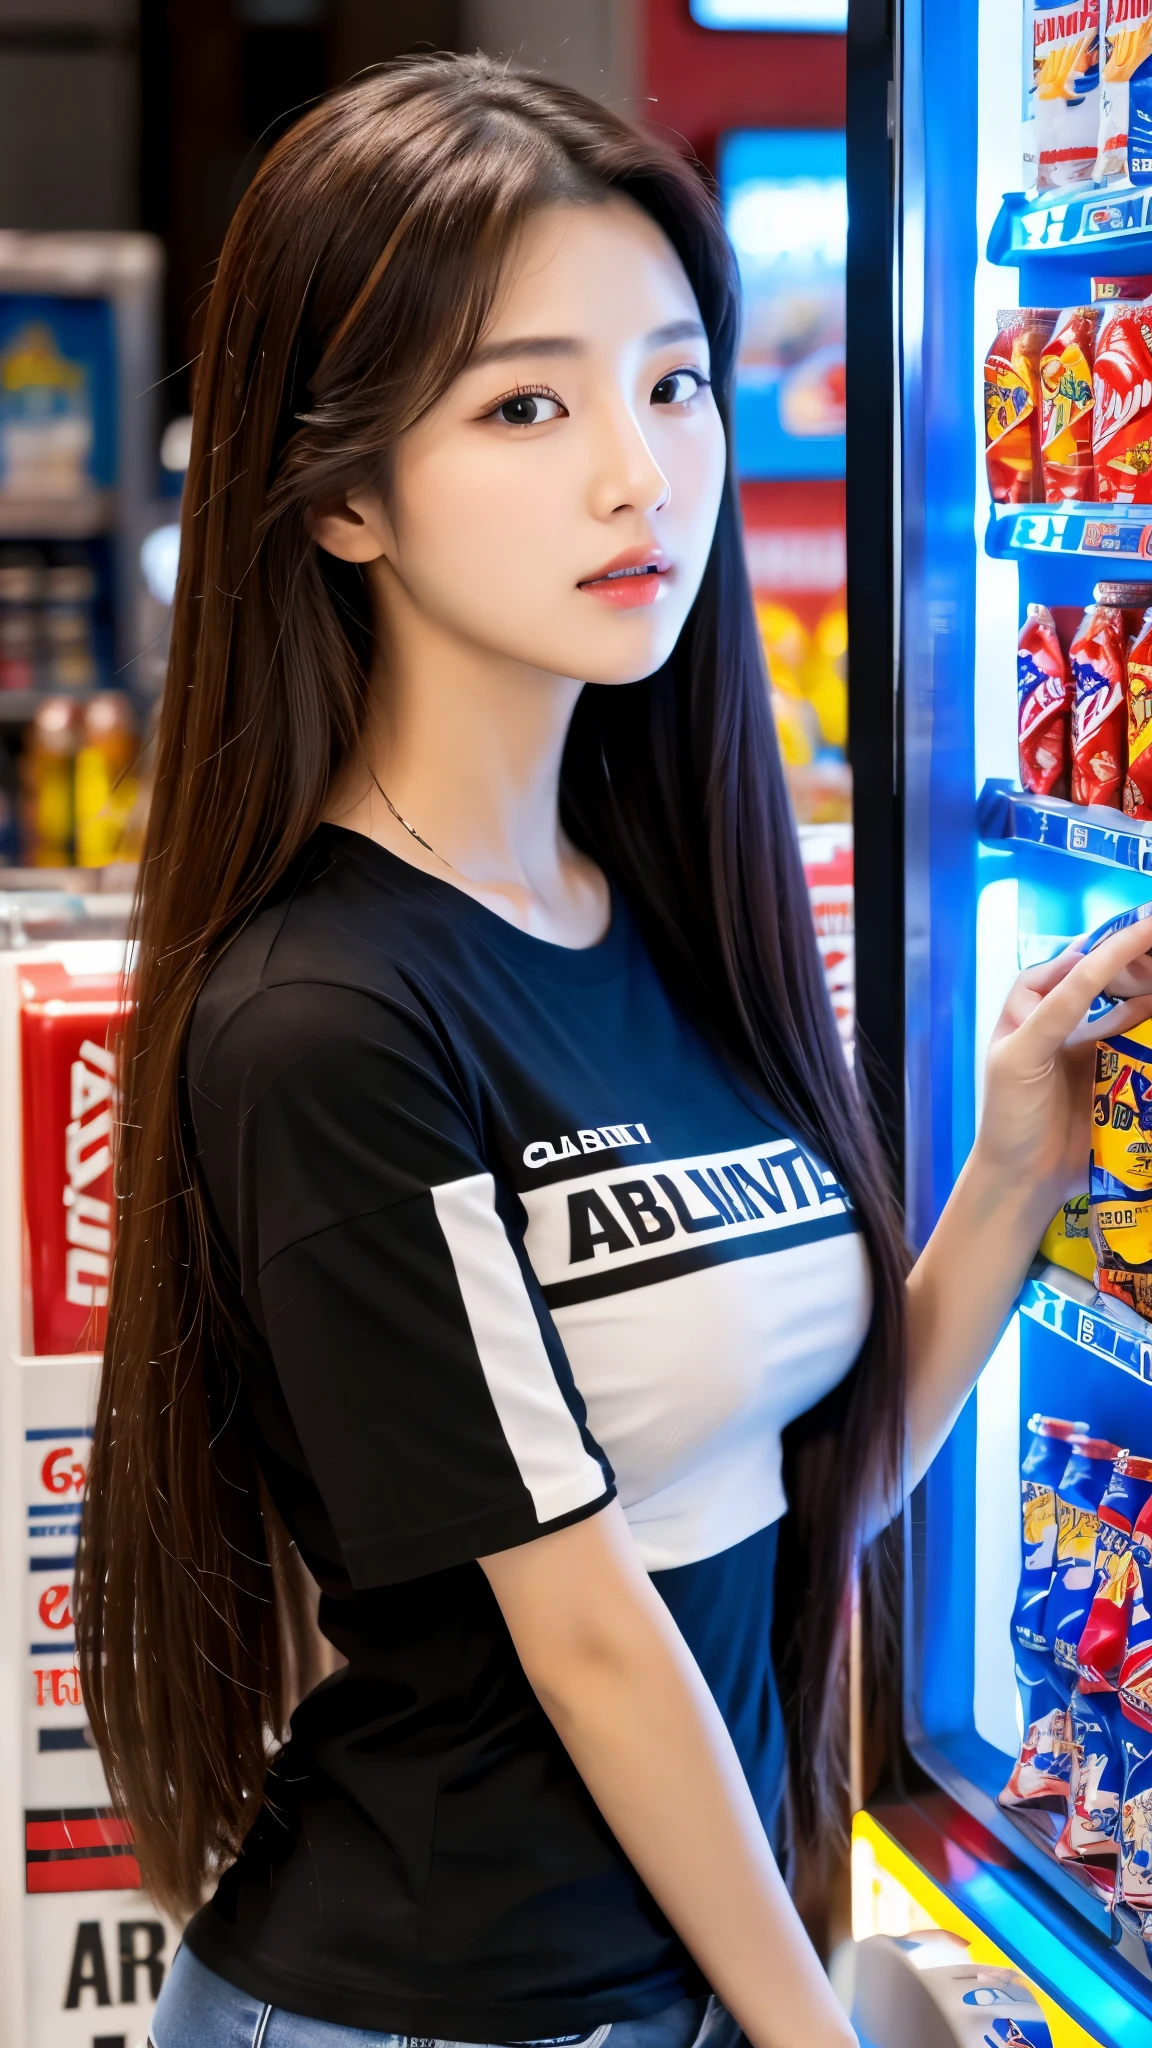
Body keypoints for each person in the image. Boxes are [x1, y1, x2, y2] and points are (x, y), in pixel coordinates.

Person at [74, 52, 1152, 2048]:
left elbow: (780, 1494)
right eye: (526, 404)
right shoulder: (326, 1018)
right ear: (337, 499)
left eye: (672, 383)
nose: (638, 474)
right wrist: (807, 2030)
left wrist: (1013, 1170)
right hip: (425, 2008)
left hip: (655, 1986)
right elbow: (583, 1631)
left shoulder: (649, 906)